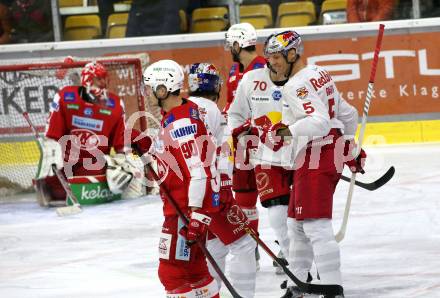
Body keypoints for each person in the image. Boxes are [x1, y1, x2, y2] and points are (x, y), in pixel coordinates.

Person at [261, 31, 366, 298]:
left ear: (292, 54)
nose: (272, 63)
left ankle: (333, 288)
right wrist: (347, 146)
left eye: (276, 57)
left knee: (315, 225)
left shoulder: (295, 85)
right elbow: (348, 114)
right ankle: (298, 287)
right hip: (321, 153)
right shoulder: (319, 72)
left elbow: (318, 122)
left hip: (315, 153)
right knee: (296, 225)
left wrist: (284, 132)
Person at [140, 59, 220, 297]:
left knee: (172, 273)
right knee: (195, 271)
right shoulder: (183, 112)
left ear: (162, 89)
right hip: (190, 210)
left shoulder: (181, 122)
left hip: (184, 211)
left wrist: (196, 215)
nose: (146, 95)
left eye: (149, 88)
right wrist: (150, 150)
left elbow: (198, 170)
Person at [227, 30, 296, 275]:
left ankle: (304, 258)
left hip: (300, 155)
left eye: (278, 56)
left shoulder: (303, 78)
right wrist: (243, 131)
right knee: (275, 211)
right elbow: (235, 113)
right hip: (265, 157)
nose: (273, 61)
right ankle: (290, 259)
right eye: (271, 56)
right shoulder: (248, 78)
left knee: (302, 216)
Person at [188, 62, 257, 298]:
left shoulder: (180, 110)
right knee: (244, 245)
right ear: (215, 86)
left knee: (215, 247)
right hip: (213, 191)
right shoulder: (214, 110)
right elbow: (222, 154)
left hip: (188, 195)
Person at [35, 61, 142, 207]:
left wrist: (132, 161)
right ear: (87, 79)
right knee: (48, 178)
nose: (103, 82)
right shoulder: (65, 97)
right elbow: (52, 135)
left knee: (123, 173)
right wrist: (50, 150)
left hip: (93, 165)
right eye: (99, 78)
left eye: (105, 78)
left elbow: (122, 144)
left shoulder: (115, 105)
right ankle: (50, 184)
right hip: (65, 163)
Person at [223, 23, 266, 264]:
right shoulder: (234, 70)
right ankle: (253, 246)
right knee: (244, 197)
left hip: (265, 144)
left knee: (279, 199)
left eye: (231, 44)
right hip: (241, 146)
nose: (230, 49)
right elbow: (234, 106)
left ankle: (288, 246)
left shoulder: (265, 68)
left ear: (238, 44)